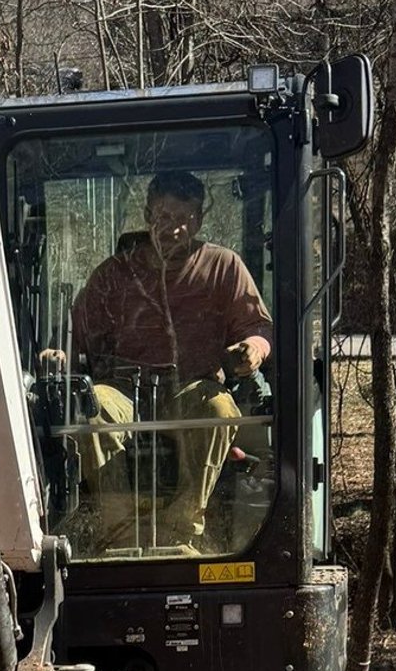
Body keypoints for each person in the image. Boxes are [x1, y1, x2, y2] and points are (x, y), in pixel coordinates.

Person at [50, 169, 274, 553]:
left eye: (186, 218)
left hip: (191, 385)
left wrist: (253, 348)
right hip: (123, 387)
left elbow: (258, 327)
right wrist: (59, 353)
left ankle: (181, 530)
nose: (175, 228)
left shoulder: (223, 266)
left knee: (220, 409)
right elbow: (75, 334)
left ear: (199, 220)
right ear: (147, 216)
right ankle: (119, 531)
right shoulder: (114, 274)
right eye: (165, 217)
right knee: (93, 408)